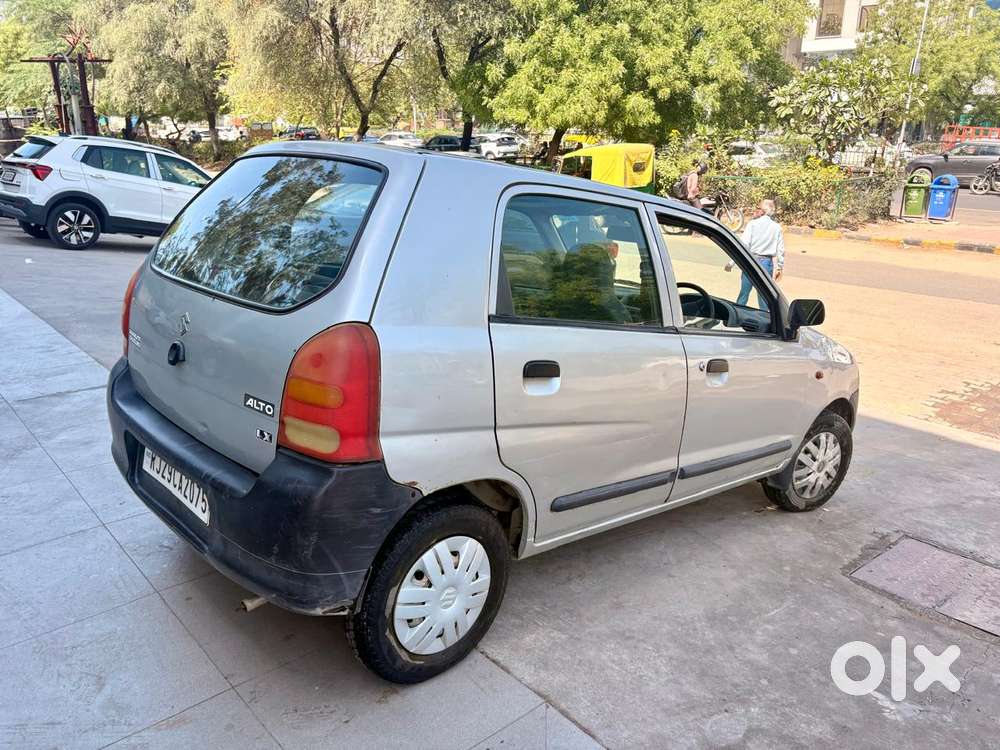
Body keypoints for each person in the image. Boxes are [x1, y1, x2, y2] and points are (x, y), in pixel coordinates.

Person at [735, 199, 784, 307]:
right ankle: (764, 317)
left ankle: (737, 314)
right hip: (767, 263)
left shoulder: (752, 224)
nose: (756, 210)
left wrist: (732, 261)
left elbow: (743, 244)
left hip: (750, 261)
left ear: (763, 211)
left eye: (758, 208)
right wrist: (780, 266)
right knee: (764, 295)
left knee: (744, 293)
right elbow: (780, 249)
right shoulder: (777, 227)